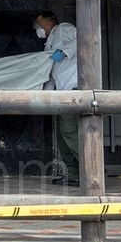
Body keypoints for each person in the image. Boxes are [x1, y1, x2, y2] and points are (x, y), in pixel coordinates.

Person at [35, 10, 79, 187]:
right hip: (62, 93)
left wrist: (64, 51)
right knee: (62, 137)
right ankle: (74, 175)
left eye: (40, 23)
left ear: (50, 21)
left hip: (74, 90)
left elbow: (83, 38)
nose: (38, 28)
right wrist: (45, 96)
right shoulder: (48, 45)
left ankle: (92, 168)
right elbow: (52, 75)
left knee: (69, 132)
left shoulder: (63, 29)